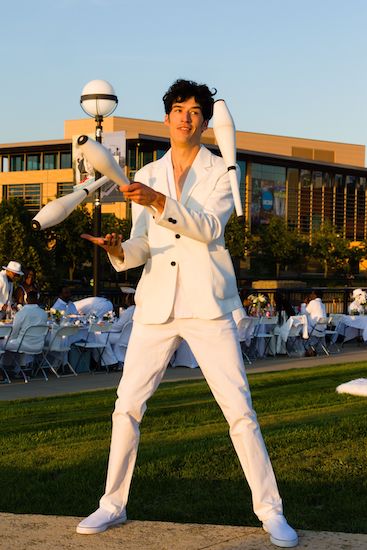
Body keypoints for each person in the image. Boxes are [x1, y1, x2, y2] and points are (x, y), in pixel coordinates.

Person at [77, 79, 298, 548]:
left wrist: (158, 203)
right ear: (167, 117)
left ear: (204, 121)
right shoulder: (149, 172)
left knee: (239, 411)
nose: (186, 117)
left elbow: (209, 227)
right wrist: (119, 249)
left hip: (207, 305)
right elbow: (143, 244)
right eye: (178, 109)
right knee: (126, 408)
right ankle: (111, 504)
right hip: (157, 305)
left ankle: (271, 512)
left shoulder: (222, 172)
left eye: (195, 111)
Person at [2, 290, 48, 375]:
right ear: (37, 300)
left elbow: (14, 331)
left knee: (3, 343)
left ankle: (5, 368)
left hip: (23, 345)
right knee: (9, 343)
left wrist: (9, 340)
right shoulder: (44, 313)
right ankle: (14, 368)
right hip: (38, 345)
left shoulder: (21, 313)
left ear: (26, 300)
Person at [301, 290, 327, 356]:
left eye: (312, 294)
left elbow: (304, 313)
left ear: (315, 295)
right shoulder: (322, 305)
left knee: (301, 329)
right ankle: (312, 348)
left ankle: (308, 349)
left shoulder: (313, 302)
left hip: (315, 329)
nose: (310, 295)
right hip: (323, 330)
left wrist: (304, 304)